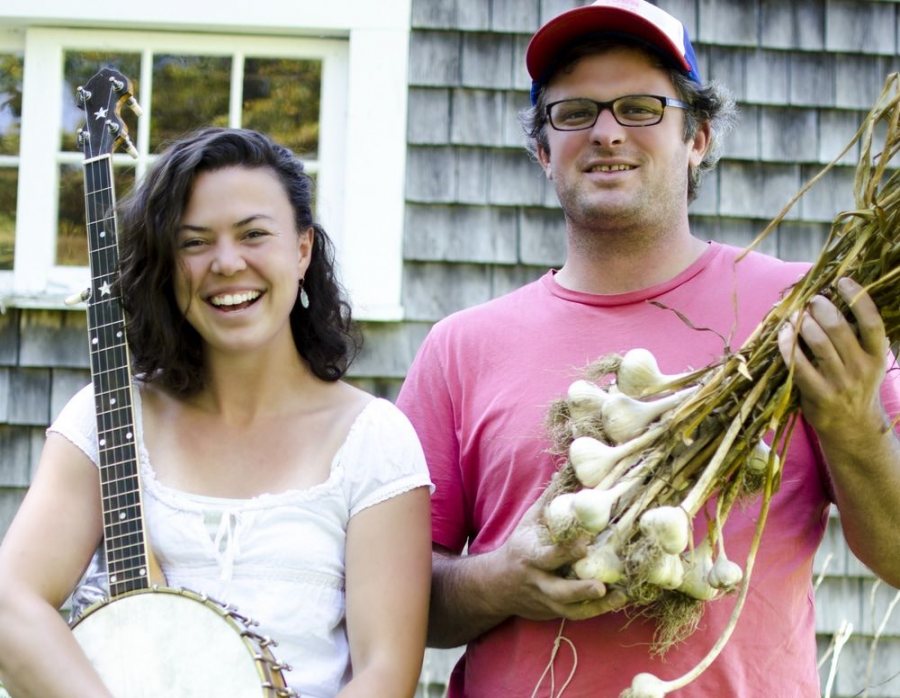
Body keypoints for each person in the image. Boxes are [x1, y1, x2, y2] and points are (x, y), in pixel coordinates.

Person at [396, 1, 900, 696]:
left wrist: (853, 423)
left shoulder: (803, 313)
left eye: (640, 108)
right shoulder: (461, 347)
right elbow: (394, 600)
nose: (606, 132)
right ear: (543, 150)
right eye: (574, 113)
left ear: (698, 137)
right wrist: (500, 580)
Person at [0, 127, 432, 697]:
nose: (227, 263)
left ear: (302, 249)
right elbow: (11, 601)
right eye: (194, 242)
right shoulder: (110, 417)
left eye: (254, 234)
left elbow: (384, 674)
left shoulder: (373, 440)